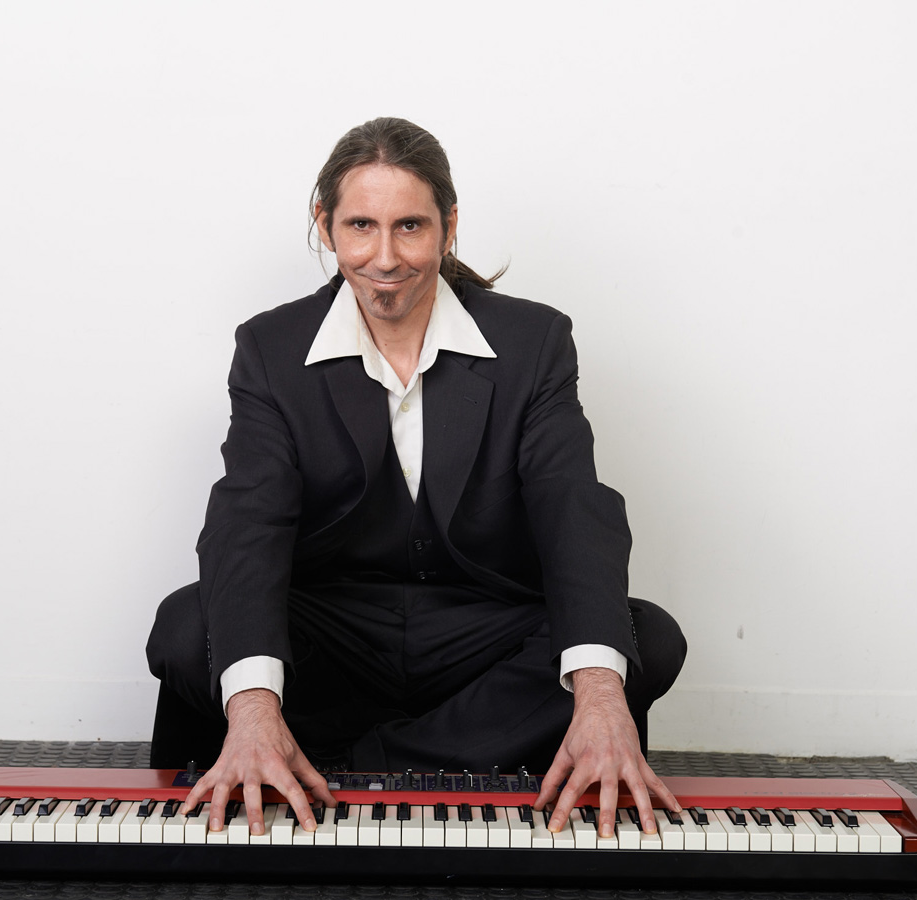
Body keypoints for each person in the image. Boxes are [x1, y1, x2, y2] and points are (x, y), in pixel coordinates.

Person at [146, 117, 686, 843]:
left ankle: (355, 772)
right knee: (188, 628)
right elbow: (248, 522)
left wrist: (596, 693)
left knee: (644, 638)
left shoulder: (533, 341)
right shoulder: (271, 347)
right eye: (360, 226)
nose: (385, 257)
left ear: (448, 227)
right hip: (335, 637)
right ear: (325, 225)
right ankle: (450, 756)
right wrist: (250, 711)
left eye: (410, 226)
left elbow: (572, 505)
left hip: (483, 632)